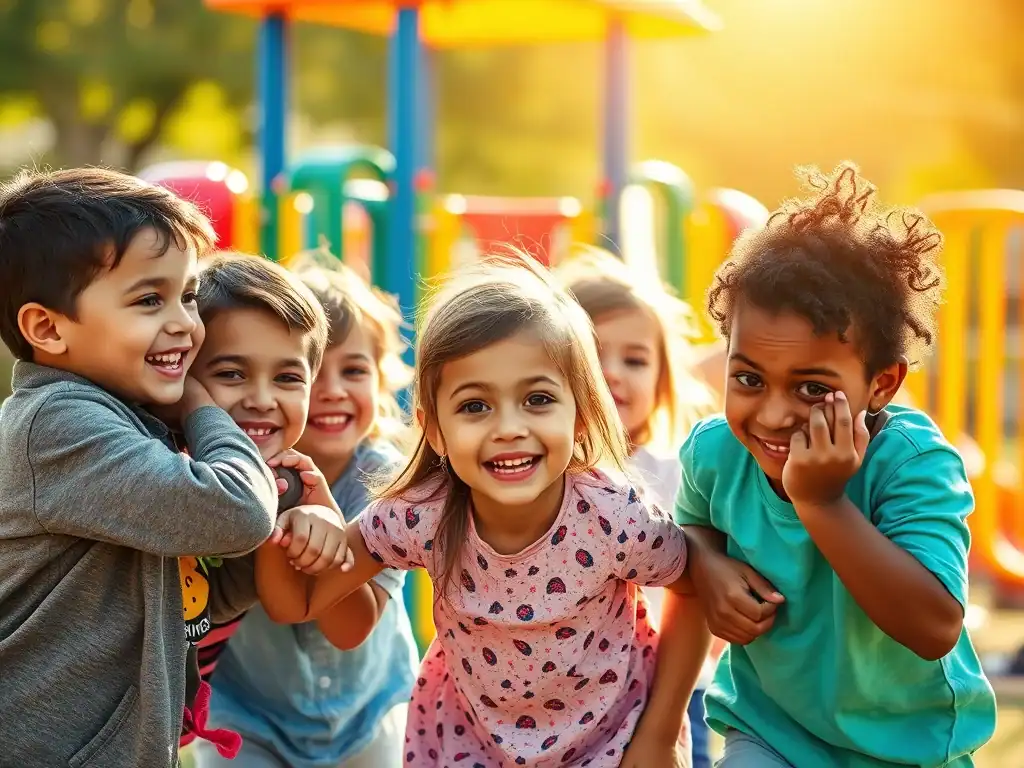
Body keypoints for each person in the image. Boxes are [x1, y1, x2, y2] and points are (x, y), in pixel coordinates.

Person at [285, 254, 700, 767]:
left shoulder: (610, 515)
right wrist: (307, 524)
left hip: (610, 741)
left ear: (582, 414)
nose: (508, 427)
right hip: (470, 745)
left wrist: (658, 735)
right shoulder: (424, 514)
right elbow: (298, 602)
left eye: (538, 400)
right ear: (434, 428)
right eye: (475, 406)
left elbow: (692, 583)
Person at [668, 163, 998, 766]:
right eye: (747, 378)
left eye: (813, 388)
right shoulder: (715, 453)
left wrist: (821, 503)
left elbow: (934, 627)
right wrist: (707, 563)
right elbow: (690, 529)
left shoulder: (912, 466)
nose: (771, 415)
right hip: (770, 730)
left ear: (882, 384)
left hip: (909, 747)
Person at [0, 168, 279, 767]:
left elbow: (180, 604)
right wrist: (202, 407)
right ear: (47, 327)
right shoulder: (59, 427)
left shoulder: (119, 420)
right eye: (150, 300)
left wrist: (286, 528)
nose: (183, 323)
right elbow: (235, 511)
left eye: (188, 296)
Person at [191, 254, 419, 768]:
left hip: (368, 713)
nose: (332, 390)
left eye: (355, 370)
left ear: (381, 383)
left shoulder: (387, 482)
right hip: (247, 718)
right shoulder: (210, 475)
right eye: (314, 376)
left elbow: (346, 629)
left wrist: (322, 530)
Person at [176, 251, 356, 758]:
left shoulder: (283, 482)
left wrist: (314, 518)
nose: (261, 399)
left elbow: (272, 601)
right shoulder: (157, 460)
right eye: (232, 374)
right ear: (184, 372)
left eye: (287, 378)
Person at [557, 248, 723, 768]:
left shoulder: (678, 473)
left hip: (666, 694)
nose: (613, 374)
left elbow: (700, 583)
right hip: (557, 697)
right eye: (593, 355)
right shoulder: (537, 473)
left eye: (635, 359)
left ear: (662, 378)